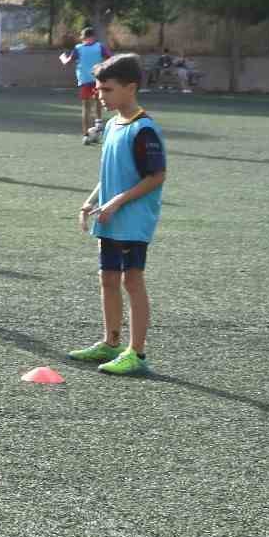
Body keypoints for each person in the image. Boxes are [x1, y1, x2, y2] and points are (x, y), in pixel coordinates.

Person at [69, 54, 167, 377]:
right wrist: (92, 200)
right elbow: (111, 172)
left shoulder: (143, 129)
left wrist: (117, 203)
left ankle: (136, 353)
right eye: (99, 89)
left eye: (107, 90)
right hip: (109, 217)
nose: (101, 95)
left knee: (131, 280)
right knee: (107, 279)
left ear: (130, 88)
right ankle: (110, 342)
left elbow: (156, 176)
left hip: (132, 220)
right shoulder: (111, 125)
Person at [59, 26, 110, 141]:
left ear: (84, 37)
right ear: (94, 37)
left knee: (86, 108)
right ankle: (98, 122)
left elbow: (67, 63)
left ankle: (86, 135)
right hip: (97, 79)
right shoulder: (100, 47)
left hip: (85, 81)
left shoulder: (79, 48)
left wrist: (63, 58)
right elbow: (110, 59)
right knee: (98, 101)